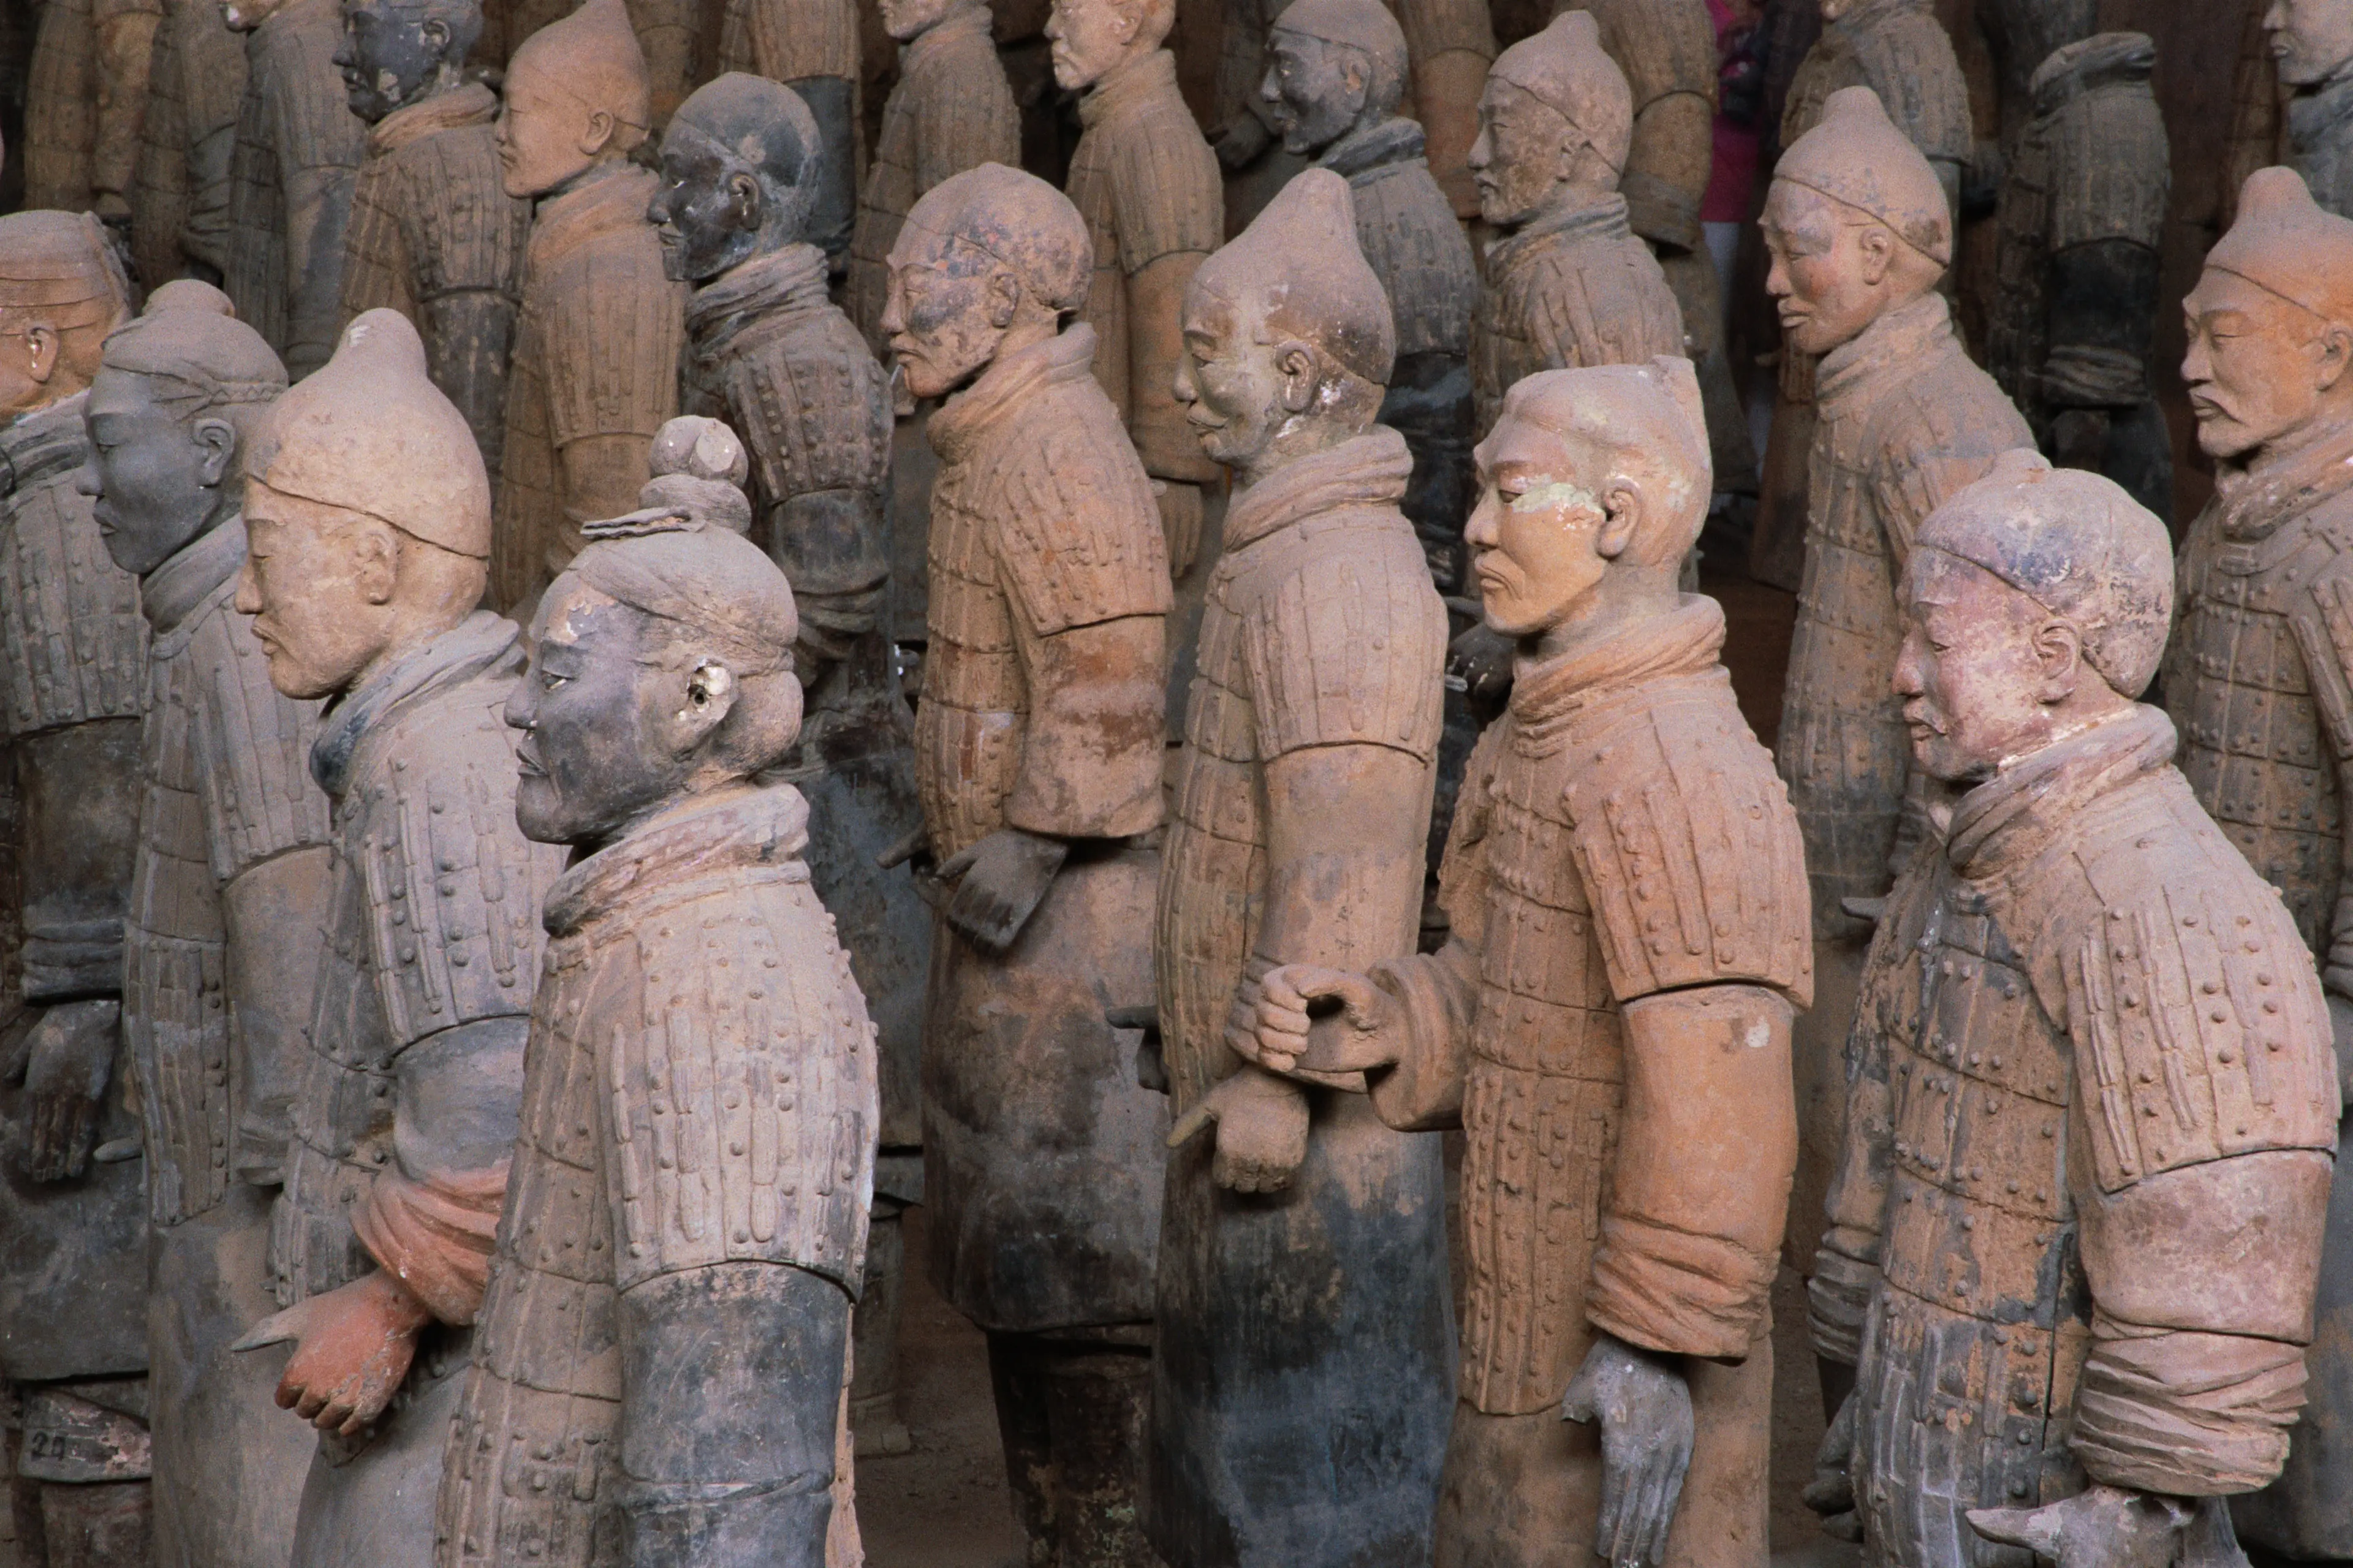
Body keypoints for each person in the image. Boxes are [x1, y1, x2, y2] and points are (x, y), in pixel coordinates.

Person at [1241, 357, 1807, 1567]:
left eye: (1512, 492)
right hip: (1529, 1327)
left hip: (1621, 1362)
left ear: (1617, 517)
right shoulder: (1544, 729)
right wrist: (1394, 1019)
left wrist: (1654, 1346)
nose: (1477, 527)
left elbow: (1727, 1080)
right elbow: (1506, 979)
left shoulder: (1673, 760)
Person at [1809, 449, 2337, 1568]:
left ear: (2055, 655)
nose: (1900, 672)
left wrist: (2141, 1499)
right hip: (1933, 1469)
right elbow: (1893, 1151)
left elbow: (2218, 1230)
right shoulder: (1964, 856)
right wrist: (1865, 1374)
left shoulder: (2161, 898)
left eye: (1936, 641)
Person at [438, 424, 877, 1567]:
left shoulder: (720, 980)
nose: (518, 710)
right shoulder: (641, 929)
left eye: (559, 673)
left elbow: (725, 1507)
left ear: (697, 696)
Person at [1148, 169, 1453, 1568]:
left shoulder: (1339, 574)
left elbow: (1350, 850)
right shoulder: (1280, 546)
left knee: (1295, 1513)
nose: (1182, 377)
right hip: (1237, 1102)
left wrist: (1280, 1074)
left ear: (1296, 370)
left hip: (1306, 1142)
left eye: (1206, 350)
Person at [227, 309, 565, 1567]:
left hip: (471, 1378)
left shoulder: (442, 769)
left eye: (269, 554)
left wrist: (385, 1302)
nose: (249, 596)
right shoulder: (416, 742)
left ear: (375, 559)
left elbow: (504, 1106)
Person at [882, 164, 1172, 1568]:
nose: (887, 311)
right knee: (1022, 1291)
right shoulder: (989, 439)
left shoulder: (1057, 448)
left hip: (1072, 943)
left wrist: (1040, 828)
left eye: (913, 283)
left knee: (1085, 1300)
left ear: (1002, 302)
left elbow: (1114, 663)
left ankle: (1101, 1540)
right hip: (1008, 936)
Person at [83, 279, 325, 1568]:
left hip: (254, 1214)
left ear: (214, 452)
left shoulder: (244, 643)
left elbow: (285, 923)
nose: (89, 482)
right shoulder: (201, 620)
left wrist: (276, 1227)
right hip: (215, 1196)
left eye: (110, 443)